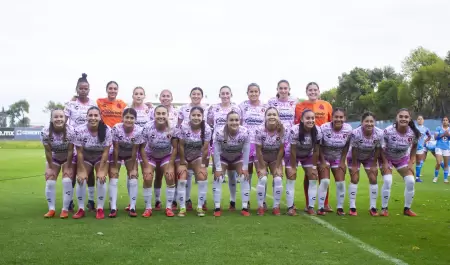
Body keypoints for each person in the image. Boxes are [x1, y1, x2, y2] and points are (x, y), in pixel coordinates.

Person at [294, 82, 333, 212]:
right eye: (310, 90)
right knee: (310, 173)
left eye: (315, 90)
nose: (313, 92)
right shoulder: (300, 106)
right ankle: (308, 203)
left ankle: (325, 203)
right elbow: (299, 123)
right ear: (306, 92)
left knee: (323, 171)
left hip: (325, 143)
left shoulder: (326, 105)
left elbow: (331, 123)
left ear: (319, 91)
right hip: (310, 143)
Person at [71, 106, 112, 219]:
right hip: (86, 157)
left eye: (96, 115)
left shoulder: (107, 130)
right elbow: (79, 152)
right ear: (86, 117)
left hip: (100, 157)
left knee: (101, 178)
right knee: (81, 179)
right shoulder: (79, 130)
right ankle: (81, 209)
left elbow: (106, 152)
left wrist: (102, 170)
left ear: (100, 117)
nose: (93, 118)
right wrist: (81, 170)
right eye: (90, 115)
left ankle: (100, 208)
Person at [64, 73, 97, 211]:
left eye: (86, 88)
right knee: (71, 171)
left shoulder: (93, 104)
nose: (83, 90)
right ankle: (70, 200)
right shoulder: (70, 104)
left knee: (89, 173)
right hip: (73, 142)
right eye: (81, 88)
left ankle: (90, 200)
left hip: (89, 143)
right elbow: (64, 122)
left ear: (89, 89)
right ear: (77, 89)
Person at [379, 108, 420, 217]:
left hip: (402, 159)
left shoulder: (413, 133)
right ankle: (384, 209)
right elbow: (381, 148)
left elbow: (414, 147)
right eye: (401, 116)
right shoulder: (388, 131)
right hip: (386, 157)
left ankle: (407, 209)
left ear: (410, 119)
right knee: (388, 181)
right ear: (397, 118)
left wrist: (411, 161)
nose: (403, 119)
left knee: (411, 181)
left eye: (406, 117)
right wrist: (384, 163)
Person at [140, 105, 177, 217]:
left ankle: (169, 207)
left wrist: (170, 165)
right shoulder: (147, 127)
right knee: (147, 177)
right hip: (150, 155)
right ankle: (148, 208)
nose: (161, 116)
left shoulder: (172, 128)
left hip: (166, 156)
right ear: (154, 115)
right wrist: (146, 165)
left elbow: (175, 147)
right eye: (158, 114)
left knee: (170, 176)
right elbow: (141, 147)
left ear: (167, 115)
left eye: (163, 114)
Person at [207, 86, 241, 209]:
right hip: (218, 144)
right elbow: (210, 123)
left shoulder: (236, 108)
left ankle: (232, 202)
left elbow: (238, 123)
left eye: (227, 93)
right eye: (223, 93)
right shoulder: (213, 108)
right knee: (218, 173)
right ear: (219, 95)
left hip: (233, 144)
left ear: (231, 94)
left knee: (232, 174)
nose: (225, 95)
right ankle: (217, 204)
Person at [213, 111, 251, 217]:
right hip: (223, 158)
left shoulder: (245, 132)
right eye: (231, 120)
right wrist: (218, 168)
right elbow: (216, 151)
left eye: (236, 120)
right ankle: (217, 207)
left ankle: (244, 206)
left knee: (244, 177)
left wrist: (245, 167)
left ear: (240, 121)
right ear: (226, 121)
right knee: (219, 178)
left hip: (237, 158)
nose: (234, 122)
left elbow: (247, 149)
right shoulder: (219, 133)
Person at [177, 87, 208, 211]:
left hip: (197, 153)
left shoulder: (207, 127)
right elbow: (180, 144)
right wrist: (183, 159)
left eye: (198, 94)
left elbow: (205, 148)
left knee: (201, 174)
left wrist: (204, 163)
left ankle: (201, 204)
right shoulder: (183, 124)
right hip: (185, 152)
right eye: (193, 94)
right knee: (184, 175)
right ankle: (184, 203)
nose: (196, 96)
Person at [109, 108, 144, 217]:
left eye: (132, 118)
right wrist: (114, 166)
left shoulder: (138, 130)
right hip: (117, 153)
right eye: (127, 117)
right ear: (122, 118)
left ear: (135, 119)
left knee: (133, 177)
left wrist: (133, 168)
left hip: (130, 154)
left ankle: (132, 207)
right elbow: (115, 148)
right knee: (113, 176)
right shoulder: (116, 128)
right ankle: (113, 207)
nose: (129, 120)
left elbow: (135, 150)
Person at [40, 109, 75, 218]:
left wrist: (68, 166)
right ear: (51, 119)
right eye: (56, 117)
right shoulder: (45, 132)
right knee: (50, 180)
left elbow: (70, 150)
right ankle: (51, 209)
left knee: (67, 180)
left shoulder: (71, 131)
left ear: (65, 119)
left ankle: (65, 210)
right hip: (54, 157)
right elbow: (48, 151)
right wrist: (50, 167)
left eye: (61, 117)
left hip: (67, 157)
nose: (58, 119)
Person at [347, 112, 383, 216]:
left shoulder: (379, 133)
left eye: (371, 121)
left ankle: (373, 207)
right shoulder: (356, 133)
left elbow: (378, 148)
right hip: (355, 157)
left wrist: (373, 164)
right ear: (362, 122)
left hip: (369, 157)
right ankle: (352, 207)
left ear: (374, 122)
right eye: (366, 121)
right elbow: (353, 149)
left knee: (373, 178)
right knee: (355, 178)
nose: (369, 123)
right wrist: (354, 165)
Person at [239, 83, 268, 210]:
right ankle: (247, 200)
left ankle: (263, 200)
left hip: (260, 144)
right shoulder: (242, 106)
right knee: (247, 173)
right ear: (247, 93)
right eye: (251, 91)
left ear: (259, 93)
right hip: (246, 144)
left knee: (262, 172)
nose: (254, 94)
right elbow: (238, 123)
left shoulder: (265, 107)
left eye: (256, 91)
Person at [318, 108, 352, 215]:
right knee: (325, 181)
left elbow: (346, 146)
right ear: (332, 117)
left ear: (344, 118)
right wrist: (322, 161)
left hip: (338, 158)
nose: (338, 119)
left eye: (341, 117)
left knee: (341, 183)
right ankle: (320, 207)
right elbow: (318, 145)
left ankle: (340, 208)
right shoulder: (324, 128)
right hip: (324, 157)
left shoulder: (348, 129)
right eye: (336, 117)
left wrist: (342, 161)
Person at [289, 109, 322, 216]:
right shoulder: (295, 130)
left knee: (313, 177)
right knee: (291, 176)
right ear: (302, 120)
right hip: (293, 154)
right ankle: (290, 207)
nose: (311, 120)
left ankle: (310, 207)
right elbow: (292, 150)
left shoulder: (318, 131)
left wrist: (314, 167)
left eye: (313, 118)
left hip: (308, 155)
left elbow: (316, 150)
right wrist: (293, 167)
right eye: (308, 118)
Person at [254, 107, 285, 216]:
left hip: (275, 157)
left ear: (278, 117)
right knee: (263, 179)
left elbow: (281, 150)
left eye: (274, 114)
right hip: (261, 157)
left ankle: (276, 207)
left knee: (278, 179)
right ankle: (260, 206)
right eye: (269, 114)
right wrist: (262, 167)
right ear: (265, 117)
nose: (272, 116)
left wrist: (277, 167)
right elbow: (258, 150)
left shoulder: (282, 129)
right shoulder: (259, 129)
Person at [433, 116, 450, 183]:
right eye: (443, 120)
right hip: (439, 147)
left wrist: (448, 134)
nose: (445, 121)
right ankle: (435, 177)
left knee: (446, 164)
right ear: (442, 121)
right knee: (439, 163)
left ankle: (445, 179)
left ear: (448, 122)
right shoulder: (438, 128)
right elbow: (435, 137)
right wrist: (443, 134)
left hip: (446, 148)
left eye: (446, 120)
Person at [415, 115, 431, 182]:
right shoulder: (414, 128)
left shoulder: (426, 129)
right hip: (411, 148)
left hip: (420, 147)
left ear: (423, 120)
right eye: (418, 119)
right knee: (410, 161)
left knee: (418, 162)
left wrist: (425, 141)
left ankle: (417, 177)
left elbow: (429, 136)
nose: (420, 120)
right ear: (417, 120)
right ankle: (407, 176)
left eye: (421, 119)